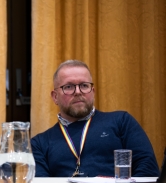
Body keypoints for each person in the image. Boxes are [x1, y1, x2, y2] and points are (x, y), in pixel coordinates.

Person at [31, 60, 160, 177]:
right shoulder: (40, 144)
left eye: (84, 85)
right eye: (68, 87)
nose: (78, 91)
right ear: (55, 97)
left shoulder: (121, 122)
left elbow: (148, 169)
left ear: (93, 92)